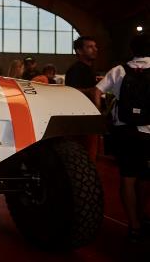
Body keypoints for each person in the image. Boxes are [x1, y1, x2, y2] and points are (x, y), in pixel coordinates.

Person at [94, 33, 150, 243]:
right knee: (145, 177)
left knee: (128, 177)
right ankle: (143, 214)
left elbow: (97, 91)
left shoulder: (119, 69)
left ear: (132, 49)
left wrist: (100, 114)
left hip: (124, 130)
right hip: (148, 132)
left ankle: (133, 225)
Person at [65, 36, 98, 101]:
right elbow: (71, 91)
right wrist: (94, 90)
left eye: (95, 46)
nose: (95, 49)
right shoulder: (75, 70)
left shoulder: (90, 68)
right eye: (90, 47)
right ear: (79, 51)